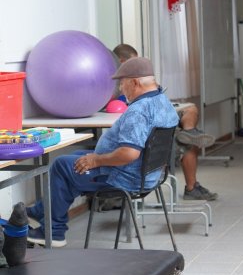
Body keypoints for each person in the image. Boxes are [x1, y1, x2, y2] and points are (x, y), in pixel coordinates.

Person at [26, 57, 180, 247]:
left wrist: (97, 161)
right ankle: (42, 211)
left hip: (124, 177)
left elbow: (129, 153)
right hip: (147, 175)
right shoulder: (162, 101)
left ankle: (53, 231)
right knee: (76, 160)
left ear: (135, 82)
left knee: (61, 166)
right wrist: (94, 159)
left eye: (122, 83)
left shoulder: (139, 111)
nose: (120, 89)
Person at [112, 44, 217, 201]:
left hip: (153, 123)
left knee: (191, 109)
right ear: (122, 61)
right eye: (133, 62)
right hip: (148, 133)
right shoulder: (119, 83)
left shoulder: (136, 80)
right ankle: (191, 185)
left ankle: (189, 132)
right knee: (189, 145)